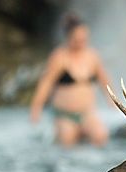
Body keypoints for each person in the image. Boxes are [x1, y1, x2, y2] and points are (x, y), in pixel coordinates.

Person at [30, 14, 114, 146]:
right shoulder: (59, 57)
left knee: (101, 136)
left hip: (87, 113)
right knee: (67, 140)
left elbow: (104, 80)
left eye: (84, 38)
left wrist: (112, 101)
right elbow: (46, 84)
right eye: (77, 39)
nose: (81, 41)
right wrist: (36, 108)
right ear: (69, 37)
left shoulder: (92, 56)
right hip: (65, 115)